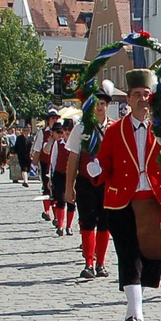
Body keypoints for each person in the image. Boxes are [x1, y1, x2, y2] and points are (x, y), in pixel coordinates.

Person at [87, 70, 161, 321]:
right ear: (129, 98)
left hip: (153, 201)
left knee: (151, 256)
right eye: (136, 95)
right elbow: (104, 162)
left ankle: (133, 309)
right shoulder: (115, 131)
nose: (142, 99)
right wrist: (97, 169)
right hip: (122, 203)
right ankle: (136, 315)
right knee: (129, 256)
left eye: (145, 94)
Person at [66, 81, 118, 280]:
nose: (99, 107)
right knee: (87, 221)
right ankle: (88, 262)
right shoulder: (81, 128)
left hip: (107, 182)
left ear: (107, 105)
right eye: (96, 103)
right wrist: (69, 187)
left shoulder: (114, 128)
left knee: (105, 223)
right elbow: (73, 158)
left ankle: (101, 263)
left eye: (102, 103)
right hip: (86, 181)